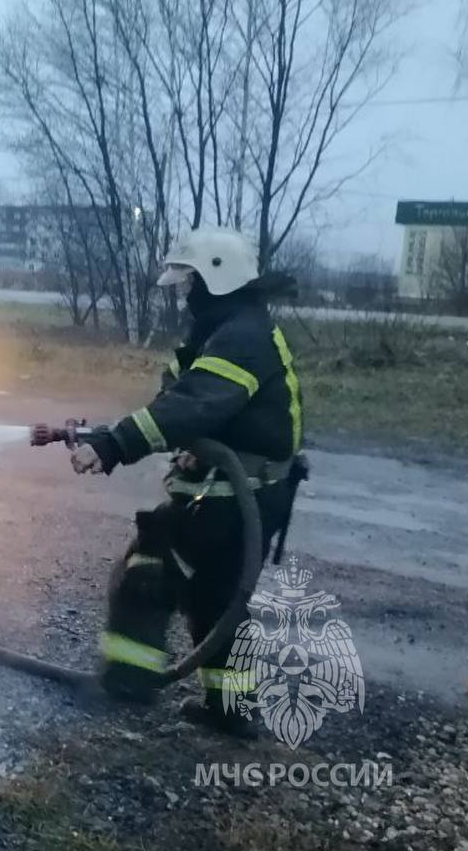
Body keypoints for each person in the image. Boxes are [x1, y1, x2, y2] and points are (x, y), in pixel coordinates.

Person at [36, 228, 303, 737]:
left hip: (234, 496)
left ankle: (128, 685)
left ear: (216, 278)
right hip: (243, 491)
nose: (184, 294)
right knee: (216, 598)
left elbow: (192, 405)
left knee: (148, 571)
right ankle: (229, 710)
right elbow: (179, 403)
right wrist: (116, 435)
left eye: (190, 282)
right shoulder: (227, 328)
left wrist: (115, 445)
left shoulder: (241, 338)